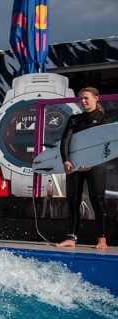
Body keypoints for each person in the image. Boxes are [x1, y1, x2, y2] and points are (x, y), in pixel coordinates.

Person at [55, 87, 109, 250]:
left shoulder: (103, 118)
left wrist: (92, 161)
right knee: (72, 201)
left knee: (97, 201)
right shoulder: (74, 119)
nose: (83, 101)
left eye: (86, 98)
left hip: (96, 165)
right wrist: (66, 161)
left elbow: (105, 144)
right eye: (81, 98)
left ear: (96, 98)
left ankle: (102, 239)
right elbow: (65, 141)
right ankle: (71, 237)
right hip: (75, 166)